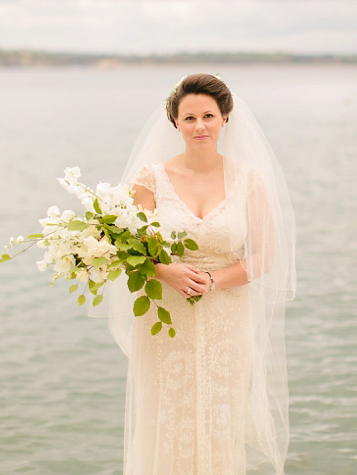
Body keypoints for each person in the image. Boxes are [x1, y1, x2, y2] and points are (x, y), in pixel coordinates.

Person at [107, 74, 296, 475]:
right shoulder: (150, 179)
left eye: (208, 116)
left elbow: (262, 257)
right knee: (165, 418)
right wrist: (164, 271)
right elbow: (127, 254)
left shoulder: (249, 180)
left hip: (226, 321)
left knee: (218, 423)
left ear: (225, 118)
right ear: (175, 122)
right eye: (189, 117)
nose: (199, 126)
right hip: (164, 320)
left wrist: (212, 282)